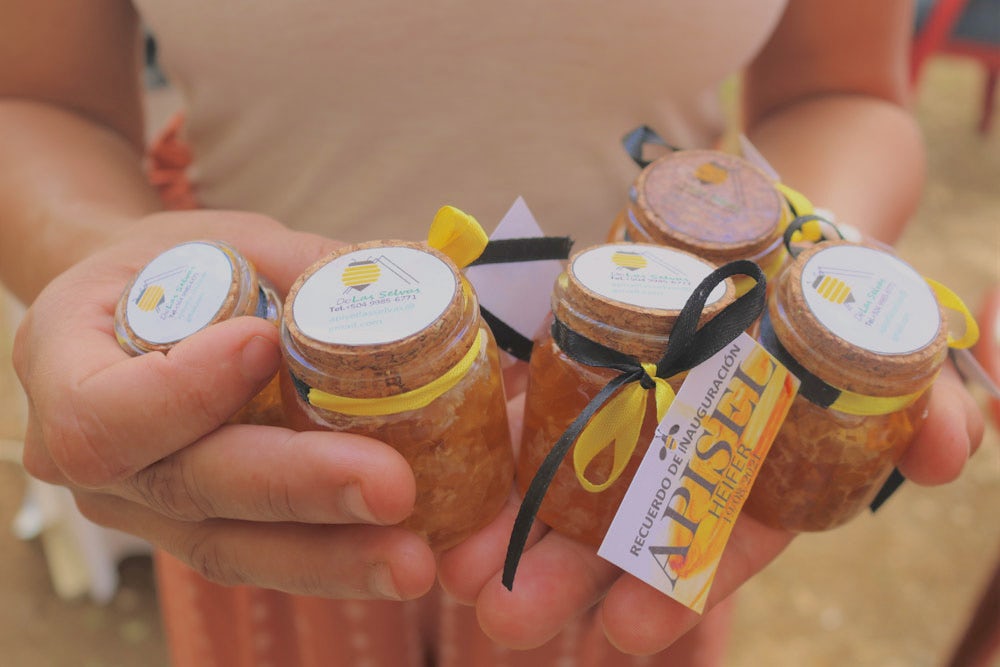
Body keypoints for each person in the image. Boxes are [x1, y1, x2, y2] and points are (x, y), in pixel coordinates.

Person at [0, 0, 984, 665]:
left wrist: (816, 302)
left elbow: (842, 96)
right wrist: (107, 258)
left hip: (648, 460)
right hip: (271, 456)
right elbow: (35, 101)